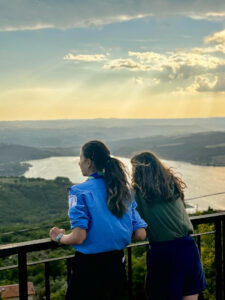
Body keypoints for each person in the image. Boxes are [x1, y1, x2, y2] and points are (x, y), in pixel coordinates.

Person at [49, 140, 147, 300]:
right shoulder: (123, 190)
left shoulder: (79, 191)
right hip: (117, 265)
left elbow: (79, 237)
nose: (78, 162)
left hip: (89, 268)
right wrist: (113, 231)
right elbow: (141, 234)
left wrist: (59, 237)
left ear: (88, 162)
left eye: (80, 158)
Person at [131, 151, 206, 300]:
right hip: (189, 248)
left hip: (164, 253)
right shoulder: (171, 185)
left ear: (139, 171)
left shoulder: (138, 193)